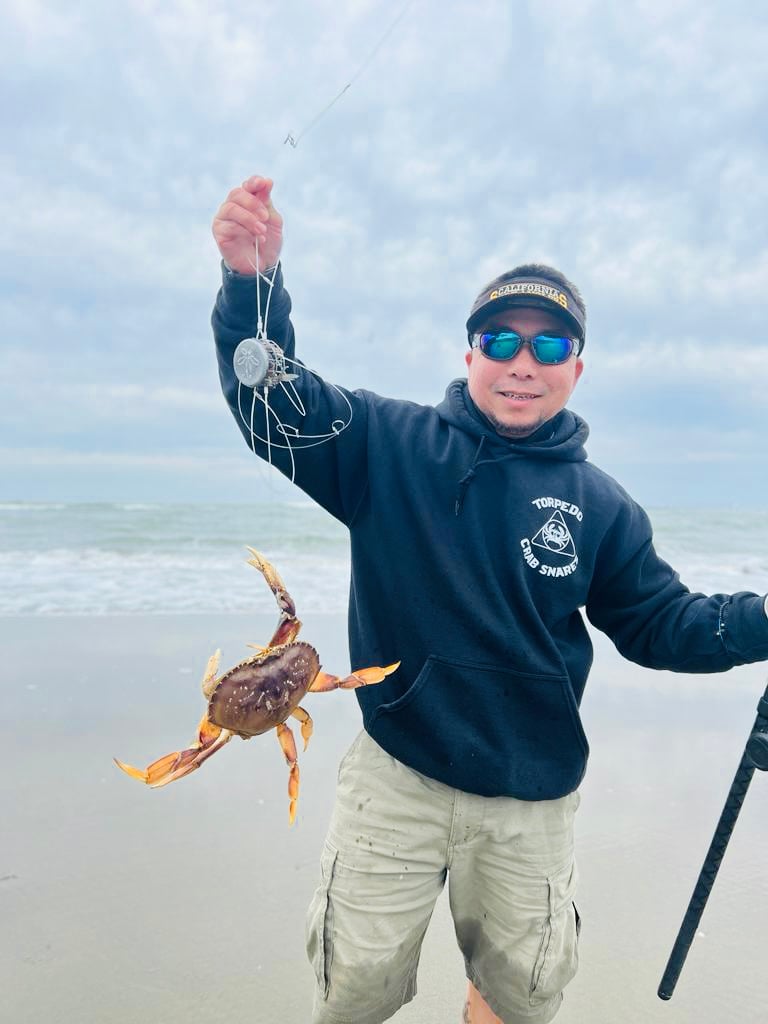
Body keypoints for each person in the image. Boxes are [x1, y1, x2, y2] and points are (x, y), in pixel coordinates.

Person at [211, 175, 768, 1024]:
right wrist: (252, 286)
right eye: (500, 339)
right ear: (469, 351)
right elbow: (272, 408)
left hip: (529, 799)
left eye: (549, 348)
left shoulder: (604, 506)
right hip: (396, 773)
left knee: (519, 993)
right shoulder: (384, 445)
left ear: (576, 368)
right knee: (353, 987)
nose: (521, 363)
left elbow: (665, 626)